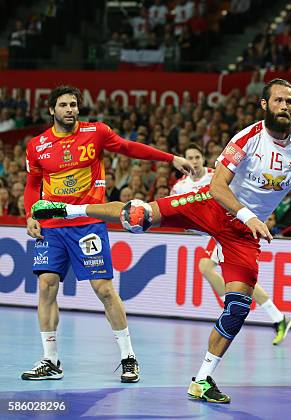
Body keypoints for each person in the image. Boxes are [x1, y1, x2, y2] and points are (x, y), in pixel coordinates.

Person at [32, 79, 291, 404]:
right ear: (264, 105)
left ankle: (203, 380)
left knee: (237, 308)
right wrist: (249, 215)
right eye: (278, 101)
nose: (285, 107)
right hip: (212, 206)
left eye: (289, 102)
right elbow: (219, 186)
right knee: (137, 217)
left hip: (244, 234)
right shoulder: (247, 139)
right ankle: (68, 208)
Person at [22, 85, 193, 382]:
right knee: (47, 287)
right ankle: (50, 361)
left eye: (73, 104)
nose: (70, 109)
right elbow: (32, 183)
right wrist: (30, 215)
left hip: (88, 223)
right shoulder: (37, 145)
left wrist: (170, 158)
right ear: (52, 110)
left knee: (103, 289)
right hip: (51, 226)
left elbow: (129, 148)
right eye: (63, 105)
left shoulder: (96, 132)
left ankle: (128, 357)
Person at [171, 143, 291, 345]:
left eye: (197, 157)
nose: (193, 161)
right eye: (190, 158)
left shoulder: (215, 176)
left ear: (203, 159)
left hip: (226, 227)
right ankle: (278, 317)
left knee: (207, 267)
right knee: (240, 280)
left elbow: (236, 195)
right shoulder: (179, 187)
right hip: (209, 233)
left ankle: (235, 305)